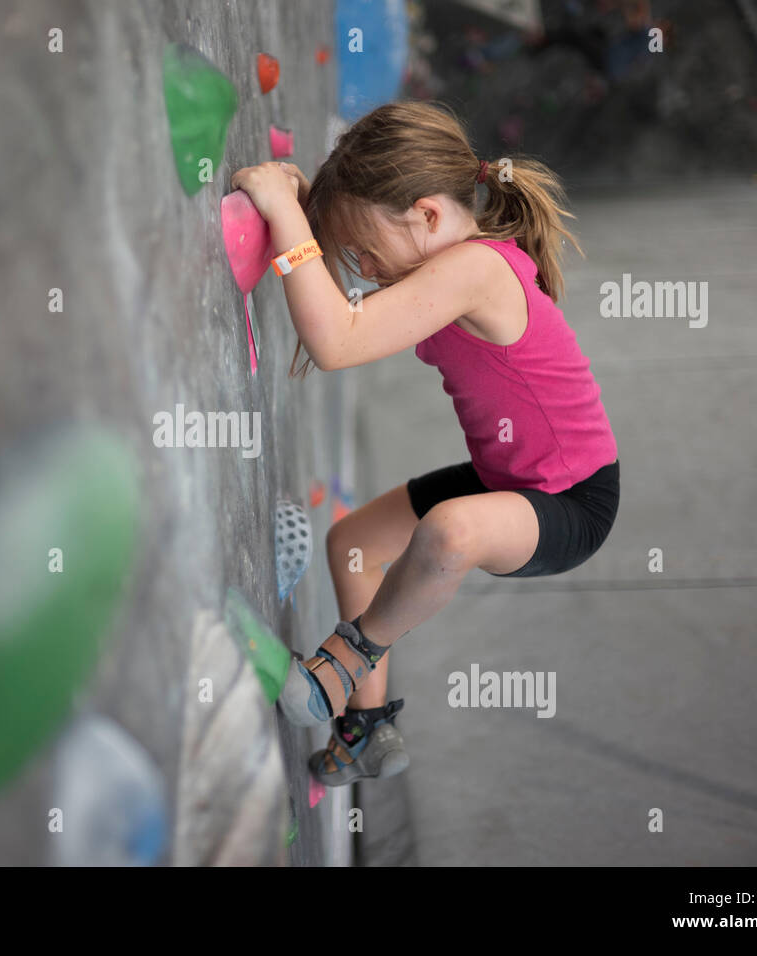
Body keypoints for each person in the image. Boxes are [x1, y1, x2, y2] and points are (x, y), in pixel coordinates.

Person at [229, 101, 620, 787]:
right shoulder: (445, 259)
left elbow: (336, 340)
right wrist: (301, 200)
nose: (363, 267)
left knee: (448, 533)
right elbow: (341, 307)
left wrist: (284, 215)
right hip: (506, 476)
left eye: (366, 249)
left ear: (429, 216)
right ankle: (365, 730)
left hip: (570, 501)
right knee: (352, 544)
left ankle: (341, 666)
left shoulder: (475, 269)